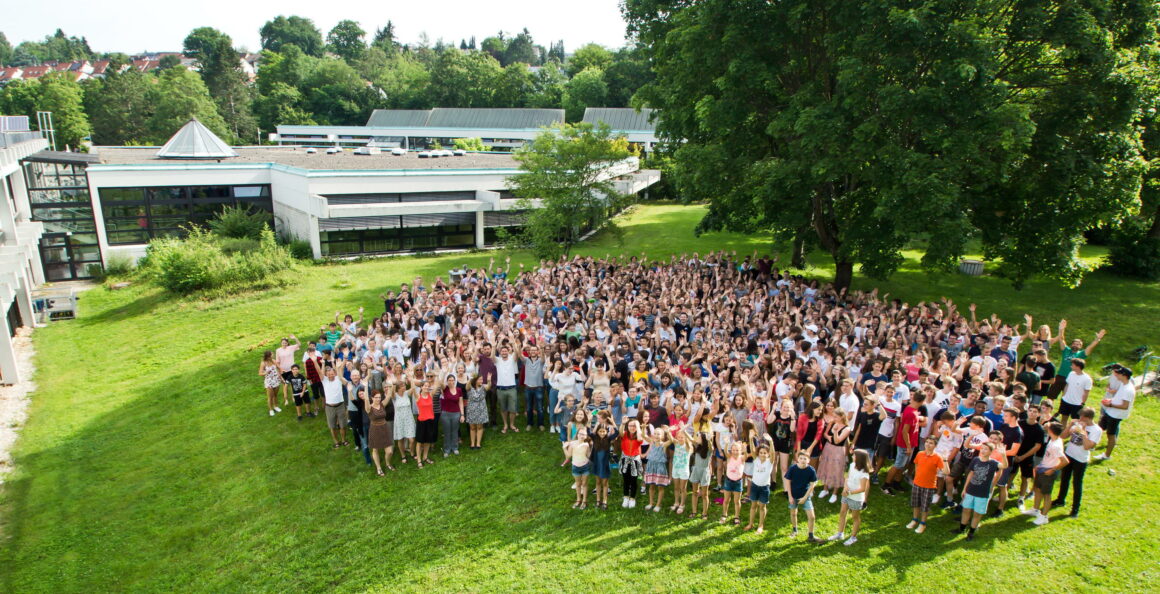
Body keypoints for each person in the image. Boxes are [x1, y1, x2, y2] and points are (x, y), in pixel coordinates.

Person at [1054, 407, 1101, 518]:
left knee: (1077, 483)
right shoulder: (1077, 424)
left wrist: (1083, 433)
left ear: (1088, 418)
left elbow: (1088, 446)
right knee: (1064, 478)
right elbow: (1062, 436)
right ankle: (1060, 499)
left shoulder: (1096, 430)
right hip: (1069, 454)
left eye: (1082, 417)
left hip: (1081, 459)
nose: (1080, 418)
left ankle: (1075, 508)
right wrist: (1070, 426)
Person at [955, 441, 1007, 541]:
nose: (983, 451)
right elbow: (971, 474)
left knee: (977, 513)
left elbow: (1004, 466)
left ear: (991, 451)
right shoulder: (975, 460)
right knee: (966, 510)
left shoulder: (993, 463)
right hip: (970, 490)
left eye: (986, 449)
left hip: (982, 493)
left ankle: (971, 532)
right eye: (982, 448)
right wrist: (965, 488)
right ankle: (961, 529)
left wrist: (1003, 455)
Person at [1023, 422, 1067, 525]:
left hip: (1048, 471)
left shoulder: (1056, 446)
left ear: (1051, 431)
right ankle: (1036, 509)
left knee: (1046, 494)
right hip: (1043, 468)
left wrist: (1053, 469)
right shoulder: (1054, 440)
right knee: (1038, 490)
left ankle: (1044, 516)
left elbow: (1065, 461)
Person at [883, 391, 923, 495]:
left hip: (910, 443)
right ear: (922, 401)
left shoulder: (910, 409)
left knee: (903, 465)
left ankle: (896, 482)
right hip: (905, 444)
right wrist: (909, 447)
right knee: (898, 464)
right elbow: (905, 431)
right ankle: (886, 485)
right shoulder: (911, 413)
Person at [829, 449, 871, 546]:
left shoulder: (864, 474)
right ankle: (840, 533)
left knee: (855, 517)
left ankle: (853, 537)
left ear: (859, 459)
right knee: (842, 512)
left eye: (854, 456)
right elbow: (847, 477)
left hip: (856, 498)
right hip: (847, 493)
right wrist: (845, 488)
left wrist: (849, 492)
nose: (852, 457)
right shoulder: (852, 465)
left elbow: (863, 489)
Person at [908, 436, 948, 534]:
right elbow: (916, 465)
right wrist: (916, 477)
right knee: (915, 503)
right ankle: (915, 519)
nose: (928, 444)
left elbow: (946, 472)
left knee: (925, 506)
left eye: (931, 443)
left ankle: (922, 523)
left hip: (929, 486)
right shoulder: (919, 454)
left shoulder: (937, 458)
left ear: (935, 446)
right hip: (917, 484)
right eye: (927, 442)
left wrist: (945, 460)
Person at [1095, 366, 1134, 461]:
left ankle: (1106, 455)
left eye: (1119, 373)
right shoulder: (1123, 384)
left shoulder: (1128, 389)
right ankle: (1091, 444)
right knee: (1099, 427)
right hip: (1110, 411)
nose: (1117, 374)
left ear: (1124, 375)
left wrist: (1111, 404)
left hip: (1116, 415)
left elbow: (1125, 405)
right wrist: (1110, 400)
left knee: (1111, 435)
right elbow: (1119, 399)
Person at [785, 450, 821, 542]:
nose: (802, 460)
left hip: (806, 495)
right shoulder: (793, 468)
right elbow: (788, 482)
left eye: (805, 459)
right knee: (793, 513)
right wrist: (789, 496)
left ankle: (811, 536)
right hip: (793, 495)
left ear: (808, 460)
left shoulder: (811, 470)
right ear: (798, 459)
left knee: (812, 516)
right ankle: (794, 530)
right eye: (801, 458)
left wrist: (805, 498)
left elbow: (813, 484)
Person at [817, 412, 851, 503]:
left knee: (837, 469)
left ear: (842, 417)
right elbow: (825, 434)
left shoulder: (847, 428)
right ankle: (825, 489)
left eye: (836, 416)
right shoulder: (832, 423)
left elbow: (837, 440)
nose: (834, 418)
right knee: (826, 467)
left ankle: (834, 493)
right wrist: (829, 437)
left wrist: (835, 431)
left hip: (838, 450)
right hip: (828, 448)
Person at [744, 444, 774, 534]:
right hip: (754, 486)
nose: (762, 454)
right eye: (761, 452)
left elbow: (773, 453)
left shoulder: (770, 462)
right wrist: (750, 438)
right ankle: (751, 523)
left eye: (765, 453)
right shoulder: (756, 460)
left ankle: (761, 525)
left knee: (762, 507)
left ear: (768, 454)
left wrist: (771, 442)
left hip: (764, 488)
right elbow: (753, 450)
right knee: (753, 506)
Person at [643, 427, 673, 512]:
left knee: (660, 487)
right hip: (651, 466)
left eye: (658, 434)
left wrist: (668, 432)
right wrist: (642, 428)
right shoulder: (651, 442)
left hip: (660, 467)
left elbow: (671, 441)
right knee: (651, 486)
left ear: (662, 436)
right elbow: (643, 435)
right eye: (655, 433)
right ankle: (651, 503)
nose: (656, 435)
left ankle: (658, 505)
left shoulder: (663, 445)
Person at [590, 422, 618, 510]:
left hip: (605, 465)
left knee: (605, 483)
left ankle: (605, 501)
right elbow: (588, 432)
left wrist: (613, 422)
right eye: (600, 431)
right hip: (597, 464)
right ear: (597, 432)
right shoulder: (595, 439)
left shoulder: (609, 439)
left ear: (607, 432)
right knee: (598, 482)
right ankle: (598, 500)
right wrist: (590, 420)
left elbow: (617, 433)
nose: (602, 433)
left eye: (604, 431)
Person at [320, 365, 348, 448]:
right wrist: (316, 362)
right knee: (332, 426)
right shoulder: (324, 381)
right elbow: (319, 372)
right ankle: (336, 441)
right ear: (326, 375)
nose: (330, 375)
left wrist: (338, 365)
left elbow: (341, 369)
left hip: (340, 406)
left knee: (342, 425)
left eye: (332, 374)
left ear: (334, 373)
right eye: (328, 374)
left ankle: (343, 440)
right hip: (329, 407)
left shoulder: (338, 379)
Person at [366, 391, 394, 475]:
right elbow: (366, 399)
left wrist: (391, 384)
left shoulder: (382, 404)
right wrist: (365, 386)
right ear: (372, 398)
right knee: (375, 449)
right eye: (376, 397)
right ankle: (378, 468)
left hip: (385, 428)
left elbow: (389, 395)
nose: (378, 399)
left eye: (379, 397)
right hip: (375, 429)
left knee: (389, 451)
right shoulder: (369, 408)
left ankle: (387, 463)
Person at [620, 418, 645, 508]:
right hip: (625, 459)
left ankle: (632, 498)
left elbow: (639, 439)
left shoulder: (639, 434)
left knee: (633, 480)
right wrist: (623, 424)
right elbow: (620, 432)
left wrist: (638, 426)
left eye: (634, 426)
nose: (632, 427)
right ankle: (626, 496)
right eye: (630, 425)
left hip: (635, 460)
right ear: (628, 426)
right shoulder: (625, 434)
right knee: (626, 479)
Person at [494, 344, 520, 433]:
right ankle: (505, 424)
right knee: (503, 408)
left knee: (513, 409)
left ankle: (512, 424)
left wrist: (513, 342)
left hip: (511, 388)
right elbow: (492, 357)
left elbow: (517, 353)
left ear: (508, 352)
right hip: (500, 389)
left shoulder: (512, 359)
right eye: (502, 351)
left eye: (505, 351)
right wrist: (494, 345)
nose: (504, 352)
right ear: (500, 353)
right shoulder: (497, 360)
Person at [1058, 359, 1093, 424]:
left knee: (1076, 422)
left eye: (1072, 365)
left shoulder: (1087, 379)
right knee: (1063, 419)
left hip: (1077, 404)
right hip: (1066, 401)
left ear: (1078, 366)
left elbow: (1086, 392)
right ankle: (1062, 433)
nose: (1071, 366)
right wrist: (1064, 396)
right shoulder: (1071, 374)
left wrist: (1082, 403)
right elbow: (1067, 385)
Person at [720, 441, 746, 525]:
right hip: (728, 481)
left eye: (737, 450)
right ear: (731, 450)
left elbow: (746, 454)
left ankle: (736, 516)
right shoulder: (729, 457)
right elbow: (725, 451)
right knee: (726, 499)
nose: (735, 452)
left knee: (737, 501)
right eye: (733, 450)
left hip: (738, 482)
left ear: (740, 451)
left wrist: (744, 448)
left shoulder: (742, 458)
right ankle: (724, 515)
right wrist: (727, 443)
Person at [566, 428, 592, 509]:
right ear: (577, 434)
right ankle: (578, 500)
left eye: (584, 434)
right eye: (580, 434)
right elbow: (569, 456)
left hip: (585, 466)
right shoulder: (572, 444)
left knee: (584, 484)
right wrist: (564, 448)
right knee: (578, 484)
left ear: (586, 436)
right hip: (575, 467)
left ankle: (584, 501)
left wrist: (593, 447)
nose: (582, 435)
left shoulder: (586, 445)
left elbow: (588, 456)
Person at [689, 432, 713, 519]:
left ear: (703, 439)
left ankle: (704, 513)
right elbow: (690, 439)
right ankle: (694, 511)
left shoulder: (709, 449)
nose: (696, 438)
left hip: (704, 472)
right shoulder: (697, 446)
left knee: (704, 494)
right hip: (696, 470)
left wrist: (709, 440)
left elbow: (711, 447)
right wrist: (684, 430)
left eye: (698, 437)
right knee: (694, 492)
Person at [439, 373, 464, 456]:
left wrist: (462, 414)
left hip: (456, 413)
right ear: (447, 381)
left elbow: (460, 403)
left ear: (455, 381)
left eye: (452, 380)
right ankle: (447, 449)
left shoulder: (459, 390)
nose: (451, 382)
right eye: (449, 380)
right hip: (445, 414)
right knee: (447, 432)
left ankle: (455, 447)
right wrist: (444, 372)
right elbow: (440, 383)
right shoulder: (445, 388)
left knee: (455, 431)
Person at [464, 375, 490, 450]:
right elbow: (466, 387)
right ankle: (472, 443)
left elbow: (488, 387)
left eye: (482, 379)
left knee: (479, 426)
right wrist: (470, 379)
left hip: (481, 409)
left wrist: (489, 381)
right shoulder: (470, 387)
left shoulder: (483, 386)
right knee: (472, 427)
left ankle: (478, 443)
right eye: (480, 379)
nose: (482, 381)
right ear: (475, 380)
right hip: (471, 410)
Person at [670, 429, 692, 515]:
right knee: (676, 488)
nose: (680, 439)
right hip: (675, 469)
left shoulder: (688, 446)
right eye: (678, 437)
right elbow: (671, 438)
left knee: (683, 488)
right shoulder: (676, 444)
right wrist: (668, 431)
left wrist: (684, 430)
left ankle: (682, 504)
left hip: (684, 470)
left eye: (682, 437)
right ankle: (676, 502)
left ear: (685, 438)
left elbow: (689, 441)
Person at [275, 335, 300, 407]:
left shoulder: (291, 348)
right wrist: (280, 369)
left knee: (292, 384)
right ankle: (286, 399)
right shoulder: (278, 350)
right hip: (284, 370)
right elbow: (277, 361)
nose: (284, 344)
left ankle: (293, 397)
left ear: (287, 343)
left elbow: (299, 344)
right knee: (285, 385)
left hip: (291, 369)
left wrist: (295, 338)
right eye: (283, 342)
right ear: (281, 343)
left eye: (285, 343)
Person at [259, 350, 283, 417]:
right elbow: (260, 373)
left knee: (275, 395)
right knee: (270, 397)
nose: (273, 355)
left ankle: (276, 406)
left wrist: (281, 372)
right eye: (272, 354)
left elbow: (279, 368)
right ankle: (271, 410)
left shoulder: (273, 361)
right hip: (269, 382)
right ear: (268, 356)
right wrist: (265, 373)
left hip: (276, 380)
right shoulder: (263, 363)